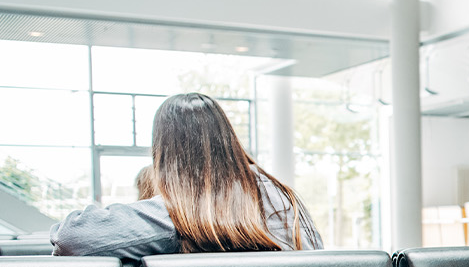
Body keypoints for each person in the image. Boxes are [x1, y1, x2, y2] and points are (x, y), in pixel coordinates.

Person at [52, 92, 321, 257]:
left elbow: (71, 238)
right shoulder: (281, 198)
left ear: (164, 156)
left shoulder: (180, 214)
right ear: (228, 140)